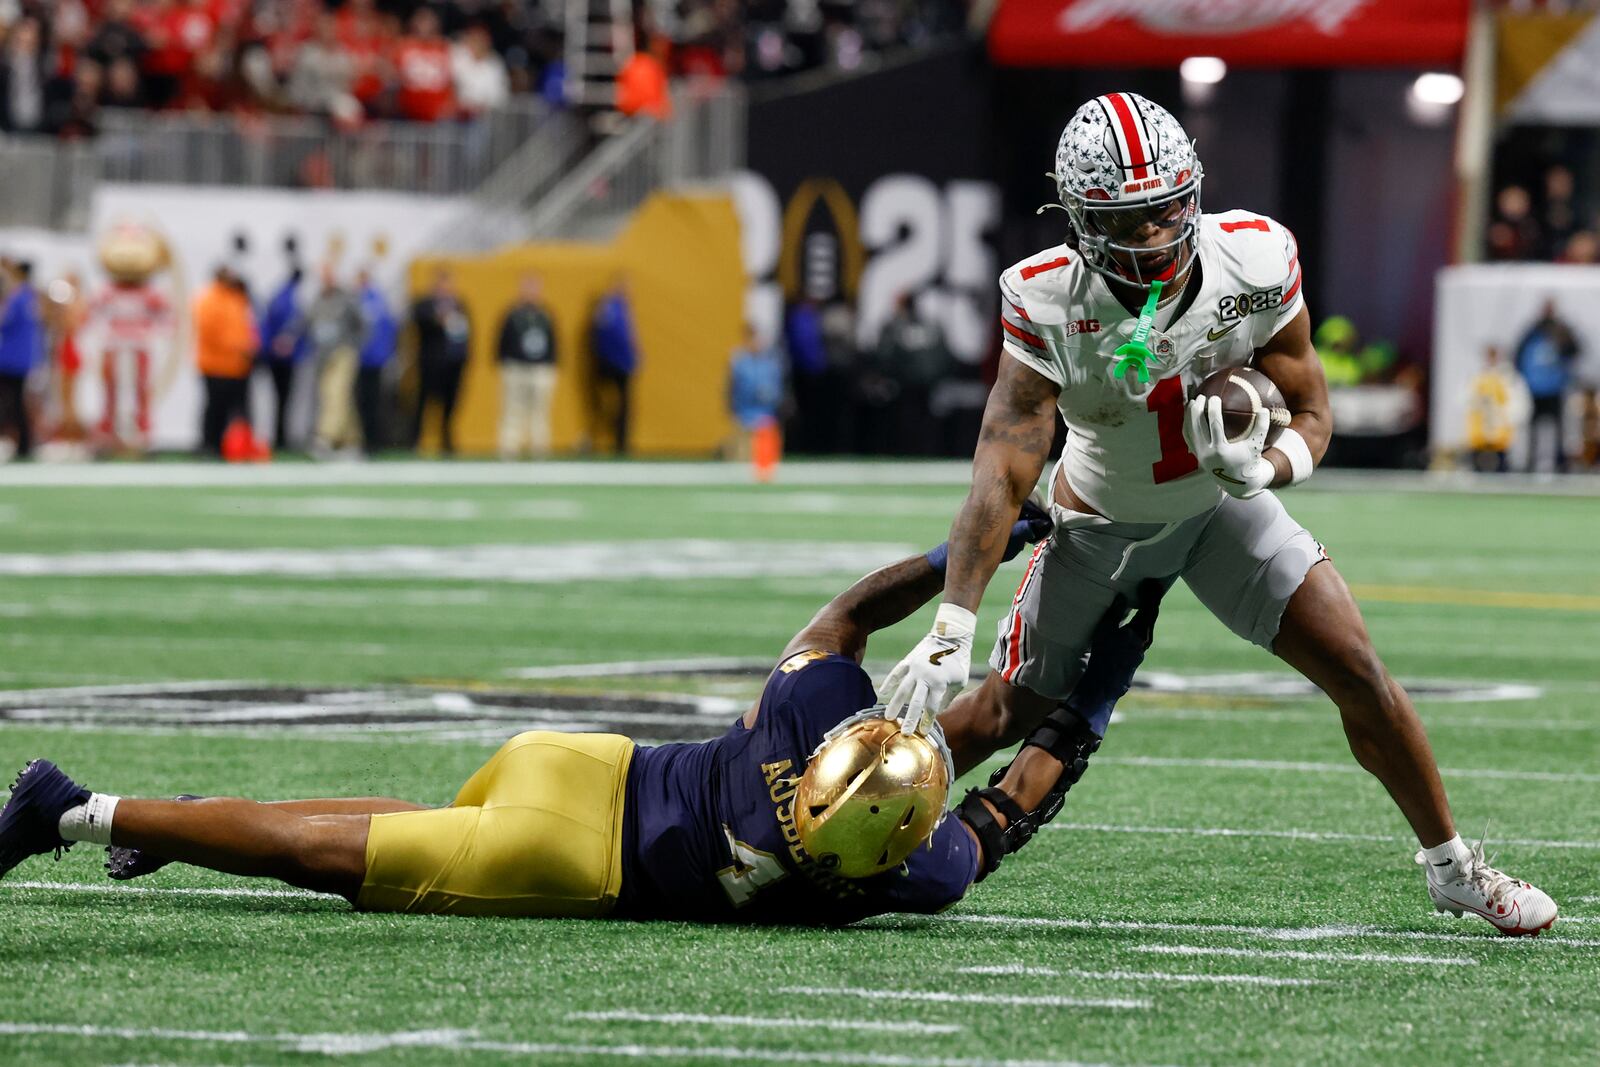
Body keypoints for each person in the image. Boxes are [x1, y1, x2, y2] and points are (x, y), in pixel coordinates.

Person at [882, 93, 1558, 937]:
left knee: (1358, 668)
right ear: (1083, 224)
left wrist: (1266, 465)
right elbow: (1004, 462)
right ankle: (846, 809)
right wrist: (952, 620)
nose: (1160, 236)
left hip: (1218, 509)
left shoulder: (1256, 258)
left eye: (1170, 209)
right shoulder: (1046, 296)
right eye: (1133, 222)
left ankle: (1455, 867)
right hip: (1098, 525)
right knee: (999, 712)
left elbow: (1313, 407)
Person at [0, 506, 1155, 925]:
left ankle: (181, 817)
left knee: (398, 823)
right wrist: (1089, 708)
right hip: (572, 858)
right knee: (333, 861)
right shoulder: (920, 868)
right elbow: (1005, 798)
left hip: (580, 765)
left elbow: (857, 616)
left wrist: (990, 546)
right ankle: (71, 811)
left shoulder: (811, 717)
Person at [304, 263, 368, 457]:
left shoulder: (347, 299)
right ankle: (352, 441)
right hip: (324, 357)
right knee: (336, 397)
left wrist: (354, 346)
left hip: (343, 353)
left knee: (336, 394)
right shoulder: (317, 301)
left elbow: (362, 325)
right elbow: (309, 325)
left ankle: (325, 438)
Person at [193, 265, 257, 456]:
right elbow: (211, 332)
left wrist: (249, 347)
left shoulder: (237, 298)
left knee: (234, 410)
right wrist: (238, 346)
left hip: (237, 365)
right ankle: (209, 444)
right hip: (216, 364)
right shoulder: (209, 300)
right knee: (215, 408)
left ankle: (229, 447)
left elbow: (246, 327)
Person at [1512, 298, 1581, 473]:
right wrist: (1523, 378)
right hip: (1534, 387)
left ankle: (1560, 463)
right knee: (1532, 427)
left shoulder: (1560, 330)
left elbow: (1574, 351)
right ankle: (1530, 462)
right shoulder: (1533, 331)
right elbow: (1518, 355)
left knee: (1558, 428)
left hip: (1555, 386)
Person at [408, 268, 471, 455]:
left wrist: (464, 357)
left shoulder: (459, 305)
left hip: (453, 363)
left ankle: (447, 442)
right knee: (424, 403)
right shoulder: (425, 304)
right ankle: (415, 441)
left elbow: (465, 333)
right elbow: (419, 321)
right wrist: (438, 320)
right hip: (431, 362)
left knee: (450, 404)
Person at [496, 272, 558, 459]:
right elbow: (502, 342)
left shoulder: (545, 314)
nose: (531, 292)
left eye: (534, 288)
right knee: (512, 410)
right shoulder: (512, 314)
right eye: (527, 288)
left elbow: (554, 343)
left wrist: (551, 366)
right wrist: (505, 364)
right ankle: (509, 448)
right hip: (516, 368)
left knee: (540, 411)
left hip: (540, 369)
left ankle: (540, 448)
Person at [256, 263, 307, 451]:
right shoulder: (291, 298)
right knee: (283, 398)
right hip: (283, 358)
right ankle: (281, 437)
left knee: (281, 399)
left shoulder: (279, 295)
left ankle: (280, 436)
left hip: (277, 355)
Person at [588, 278, 637, 454]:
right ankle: (598, 440)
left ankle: (621, 443)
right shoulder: (609, 306)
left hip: (622, 363)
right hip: (612, 363)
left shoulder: (623, 308)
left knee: (623, 406)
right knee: (607, 405)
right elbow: (604, 335)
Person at [0, 259, 42, 460]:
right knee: (18, 401)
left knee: (11, 402)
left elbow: (5, 322)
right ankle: (24, 444)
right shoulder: (32, 297)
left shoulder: (17, 297)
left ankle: (20, 443)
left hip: (9, 358)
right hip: (24, 357)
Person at [1466, 346, 1530, 473]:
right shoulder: (1477, 376)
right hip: (1480, 432)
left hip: (1501, 432)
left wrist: (1506, 416)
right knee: (1478, 465)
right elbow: (1467, 400)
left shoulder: (1510, 378)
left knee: (1501, 467)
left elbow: (1518, 403)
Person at [726, 323, 785, 460]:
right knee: (742, 455)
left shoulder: (771, 363)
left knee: (765, 458)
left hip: (766, 416)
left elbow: (777, 390)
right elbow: (732, 388)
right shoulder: (739, 361)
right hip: (743, 416)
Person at [355, 268, 395, 454]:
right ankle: (365, 441)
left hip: (374, 359)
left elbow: (388, 329)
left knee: (374, 401)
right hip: (360, 359)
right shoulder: (357, 299)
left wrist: (385, 354)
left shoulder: (377, 300)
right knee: (362, 402)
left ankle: (375, 442)